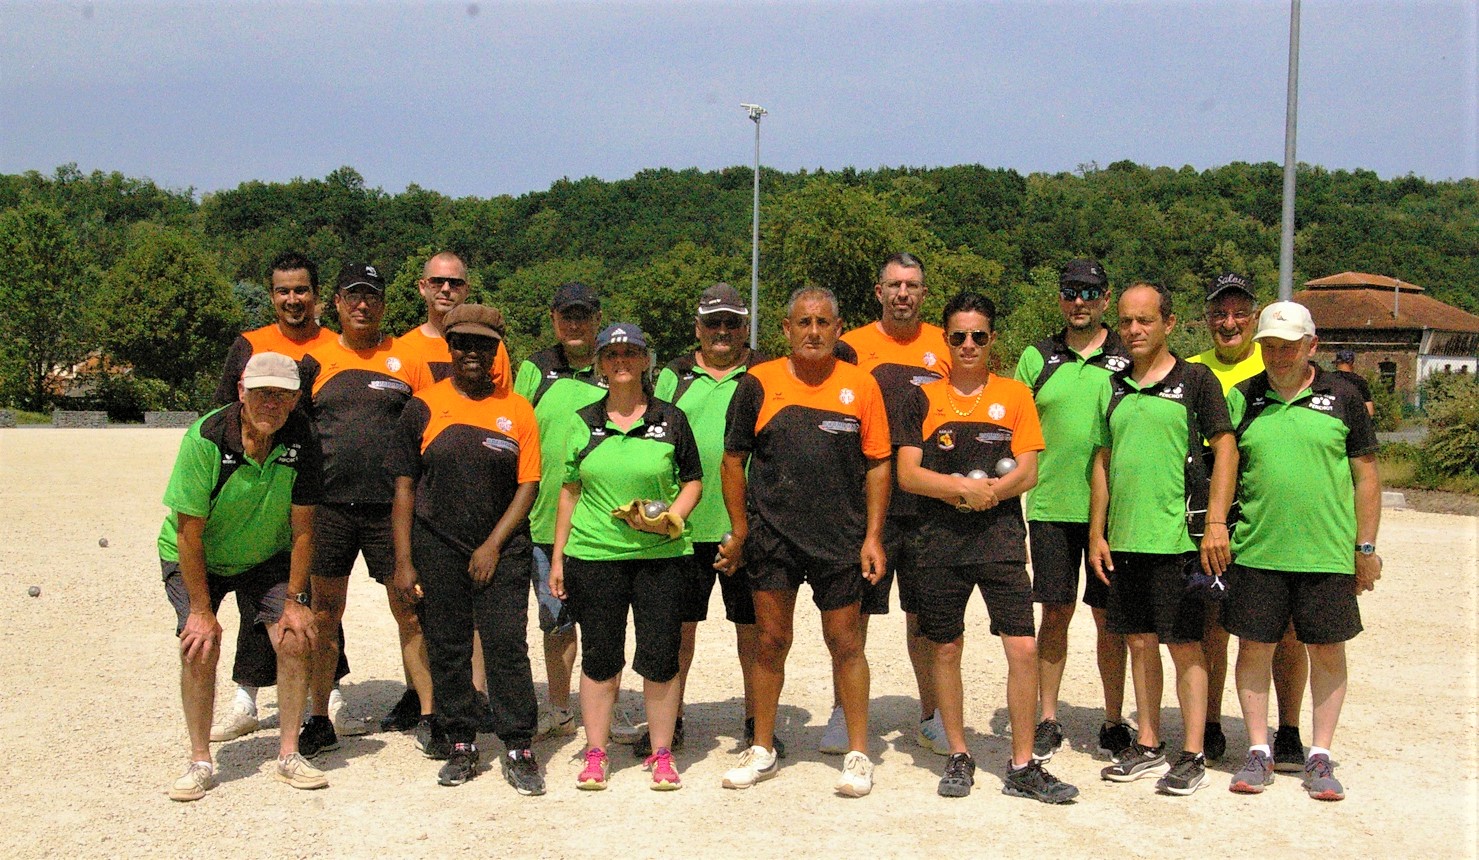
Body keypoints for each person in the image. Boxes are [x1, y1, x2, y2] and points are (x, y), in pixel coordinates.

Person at [895, 292, 1078, 803]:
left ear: (992, 338)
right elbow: (908, 474)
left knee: (1022, 647)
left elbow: (1029, 470)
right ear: (946, 340)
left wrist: (989, 494)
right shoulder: (921, 398)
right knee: (945, 647)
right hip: (938, 542)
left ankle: (1022, 764)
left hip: (1000, 540)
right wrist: (961, 490)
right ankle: (958, 754)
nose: (969, 345)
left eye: (978, 335)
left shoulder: (1015, 395)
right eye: (958, 336)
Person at [717, 287, 891, 797]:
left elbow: (879, 464)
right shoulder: (758, 383)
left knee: (846, 643)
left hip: (840, 537)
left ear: (838, 328)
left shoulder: (861, 385)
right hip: (773, 537)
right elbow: (733, 461)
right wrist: (741, 530)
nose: (813, 332)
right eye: (803, 322)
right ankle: (762, 748)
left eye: (822, 322)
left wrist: (873, 536)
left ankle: (858, 754)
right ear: (786, 329)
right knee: (771, 642)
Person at [1223, 302, 1382, 801]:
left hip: (1326, 552)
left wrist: (1365, 547)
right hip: (1257, 550)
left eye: (1289, 346)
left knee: (1328, 652)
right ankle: (1258, 751)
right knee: (1253, 649)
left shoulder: (1344, 396)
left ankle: (1320, 755)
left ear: (1312, 345)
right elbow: (1224, 468)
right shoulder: (1243, 397)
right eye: (1269, 346)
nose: (1278, 355)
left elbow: (1366, 477)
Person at [386, 304, 545, 792]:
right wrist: (404, 561)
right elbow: (404, 488)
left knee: (506, 645)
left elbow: (528, 485)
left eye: (483, 345)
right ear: (450, 347)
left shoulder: (517, 409)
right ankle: (460, 741)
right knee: (448, 645)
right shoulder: (423, 407)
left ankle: (518, 745)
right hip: (437, 546)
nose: (472, 353)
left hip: (502, 548)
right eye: (463, 344)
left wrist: (493, 545)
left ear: (497, 351)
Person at [209, 251, 366, 743]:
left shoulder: (335, 344)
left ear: (317, 295)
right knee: (259, 592)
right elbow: (224, 415)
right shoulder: (250, 343)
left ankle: (329, 695)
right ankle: (246, 698)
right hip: (262, 488)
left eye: (301, 290)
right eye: (283, 290)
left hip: (318, 487)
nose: (293, 299)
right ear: (271, 294)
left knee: (317, 597)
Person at [1089, 282, 1237, 797]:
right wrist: (1097, 532)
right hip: (1125, 539)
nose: (1133, 330)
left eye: (1145, 320)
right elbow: (1103, 461)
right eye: (1126, 321)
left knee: (1186, 645)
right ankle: (1149, 742)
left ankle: (1192, 753)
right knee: (1137, 640)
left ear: (1168, 324)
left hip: (1178, 540)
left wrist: (1215, 522)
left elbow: (1226, 449)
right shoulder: (1114, 385)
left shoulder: (1196, 381)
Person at [162, 352, 327, 800]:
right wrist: (200, 611)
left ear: (295, 399)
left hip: (264, 553)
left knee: (295, 635)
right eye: (261, 393)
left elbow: (304, 528)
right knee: (200, 643)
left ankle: (289, 753)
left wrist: (295, 600)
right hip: (199, 554)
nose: (271, 403)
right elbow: (188, 532)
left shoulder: (303, 438)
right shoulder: (206, 439)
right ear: (241, 392)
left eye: (281, 395)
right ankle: (200, 761)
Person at [549, 323, 703, 791]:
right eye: (612, 354)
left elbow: (693, 481)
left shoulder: (670, 419)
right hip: (594, 555)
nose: (621, 361)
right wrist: (558, 558)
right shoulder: (584, 420)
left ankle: (661, 752)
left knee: (660, 658)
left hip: (661, 556)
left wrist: (671, 518)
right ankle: (596, 753)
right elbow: (569, 492)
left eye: (630, 353)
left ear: (645, 360)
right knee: (600, 658)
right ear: (600, 363)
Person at [297, 262, 438, 760]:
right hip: (329, 507)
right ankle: (318, 717)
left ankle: (429, 714)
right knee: (324, 613)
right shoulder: (315, 360)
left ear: (383, 303)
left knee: (410, 610)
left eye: (371, 296)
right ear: (336, 303)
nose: (362, 305)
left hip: (390, 509)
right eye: (353, 296)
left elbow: (430, 428)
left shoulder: (407, 359)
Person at [647, 283, 777, 757]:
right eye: (713, 322)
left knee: (754, 634)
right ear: (697, 327)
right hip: (685, 525)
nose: (723, 331)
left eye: (732, 322)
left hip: (748, 524)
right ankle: (672, 720)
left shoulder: (764, 372)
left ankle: (757, 722)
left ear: (746, 327)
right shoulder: (673, 374)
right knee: (678, 632)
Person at [1014, 258, 1133, 762]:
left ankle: (1113, 719)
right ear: (1060, 297)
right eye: (1070, 291)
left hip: (1116, 511)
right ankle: (1047, 717)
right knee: (1055, 612)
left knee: (1110, 618)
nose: (1079, 301)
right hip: (1051, 506)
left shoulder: (1127, 356)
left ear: (1106, 298)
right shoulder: (1037, 357)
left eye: (1089, 292)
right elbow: (1014, 431)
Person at [1186, 272, 1308, 765]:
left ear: (1254, 318)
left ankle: (1290, 729)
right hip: (1211, 511)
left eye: (1239, 313)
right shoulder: (1192, 369)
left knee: (1286, 628)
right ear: (1207, 319)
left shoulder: (1277, 358)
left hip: (1268, 512)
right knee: (1212, 623)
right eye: (1219, 313)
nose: (1229, 322)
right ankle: (1211, 722)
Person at [835, 253, 951, 755]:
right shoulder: (851, 345)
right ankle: (843, 713)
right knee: (851, 615)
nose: (903, 293)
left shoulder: (947, 344)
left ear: (924, 293)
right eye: (895, 285)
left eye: (913, 285)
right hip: (866, 502)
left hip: (927, 504)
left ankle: (932, 715)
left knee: (925, 617)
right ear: (878, 292)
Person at [393, 251, 514, 729]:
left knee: (476, 611)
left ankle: (475, 696)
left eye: (456, 283)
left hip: (478, 498)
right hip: (425, 494)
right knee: (420, 608)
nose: (446, 289)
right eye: (438, 281)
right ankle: (424, 699)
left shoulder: (491, 346)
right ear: (422, 286)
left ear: (466, 288)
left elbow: (500, 410)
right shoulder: (404, 348)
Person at [512, 282, 609, 738]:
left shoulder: (615, 365)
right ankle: (559, 708)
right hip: (544, 521)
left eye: (582, 315)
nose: (574, 324)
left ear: (597, 319)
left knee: (606, 621)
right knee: (556, 622)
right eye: (566, 315)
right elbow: (513, 432)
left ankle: (605, 706)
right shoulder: (536, 368)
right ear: (553, 319)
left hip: (602, 522)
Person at [1331, 349, 1376, 417]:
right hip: (1353, 420)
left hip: (1333, 418)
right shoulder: (1360, 382)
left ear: (1337, 363)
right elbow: (1370, 411)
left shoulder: (1329, 379)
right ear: (1352, 363)